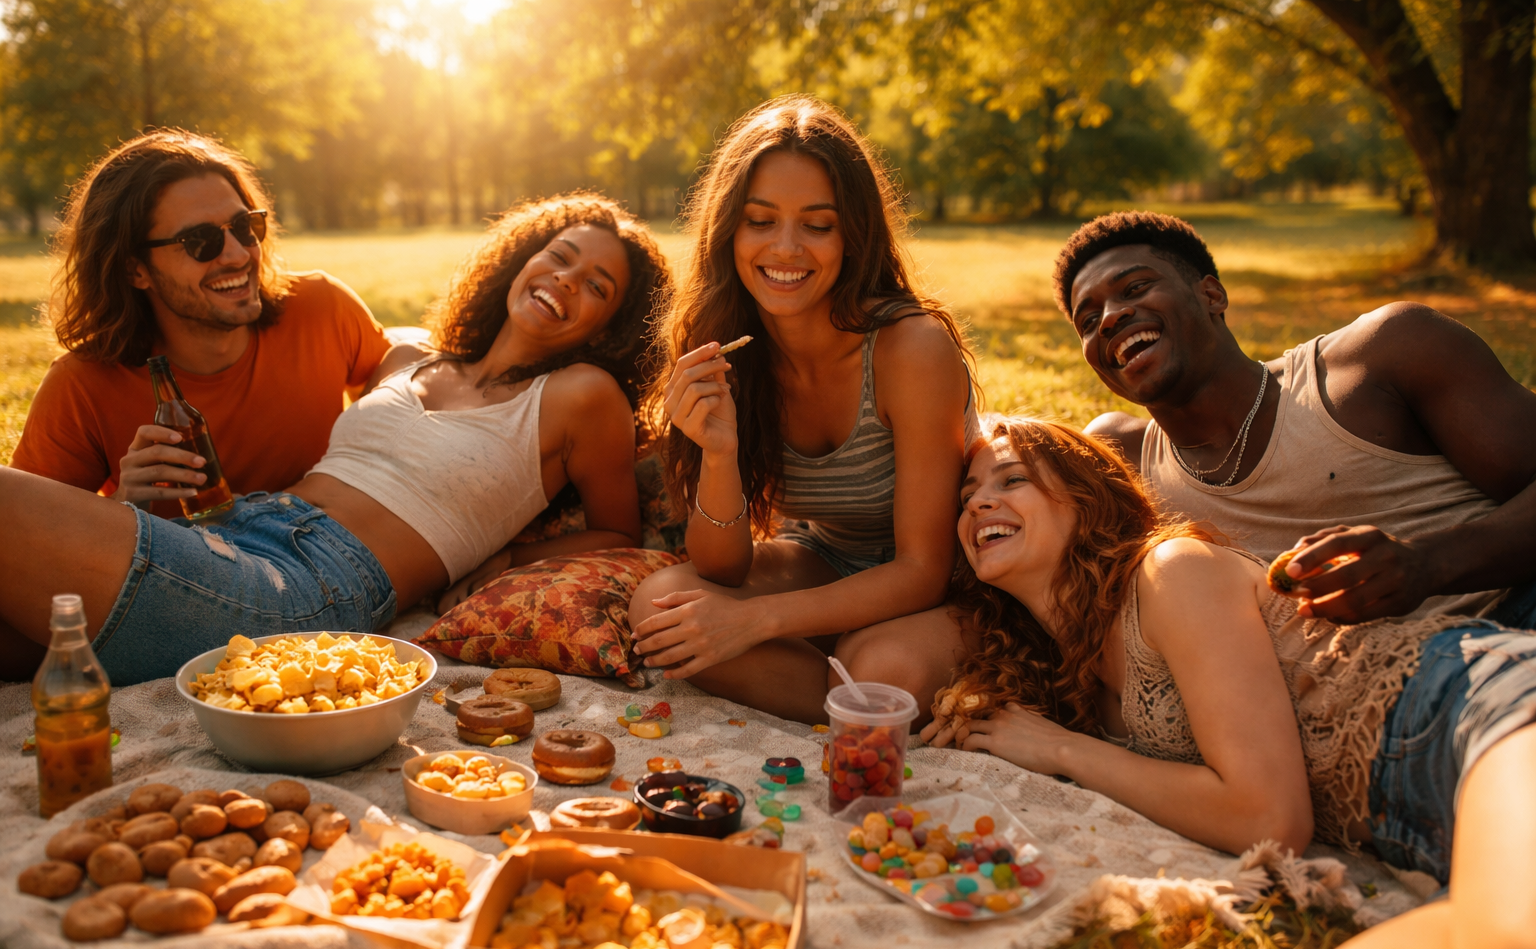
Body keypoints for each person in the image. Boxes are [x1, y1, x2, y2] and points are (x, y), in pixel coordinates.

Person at [924, 417, 1536, 949]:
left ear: (1087, 498)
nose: (980, 502)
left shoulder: (1170, 572)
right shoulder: (1074, 676)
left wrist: (1060, 751)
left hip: (1479, 709)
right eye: (969, 493)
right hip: (1419, 832)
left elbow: (1268, 818)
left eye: (1010, 480)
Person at [0, 194, 669, 684]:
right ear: (524, 258)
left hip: (311, 587)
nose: (564, 281)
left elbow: (619, 532)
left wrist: (506, 554)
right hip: (241, 527)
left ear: (609, 327)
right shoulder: (412, 358)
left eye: (596, 287)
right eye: (559, 257)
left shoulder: (581, 395)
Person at [628, 95, 979, 723]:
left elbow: (924, 568)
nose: (785, 249)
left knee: (879, 667)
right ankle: (861, 697)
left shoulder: (910, 349)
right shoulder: (725, 347)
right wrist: (719, 452)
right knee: (663, 609)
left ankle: (861, 681)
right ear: (729, 230)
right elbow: (721, 568)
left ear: (853, 234)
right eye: (761, 220)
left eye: (817, 225)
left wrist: (756, 622)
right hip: (829, 558)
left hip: (949, 582)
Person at [1056, 211, 1536, 626]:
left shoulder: (1380, 356)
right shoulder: (1120, 458)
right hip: (1364, 709)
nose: (1112, 318)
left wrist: (1428, 563)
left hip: (1512, 618)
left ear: (1212, 296)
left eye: (1135, 287)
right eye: (1089, 320)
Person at [12, 129, 391, 519]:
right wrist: (122, 506)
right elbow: (24, 534)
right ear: (135, 268)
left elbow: (403, 380)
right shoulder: (81, 388)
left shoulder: (322, 307)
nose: (237, 254)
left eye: (244, 227)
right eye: (200, 240)